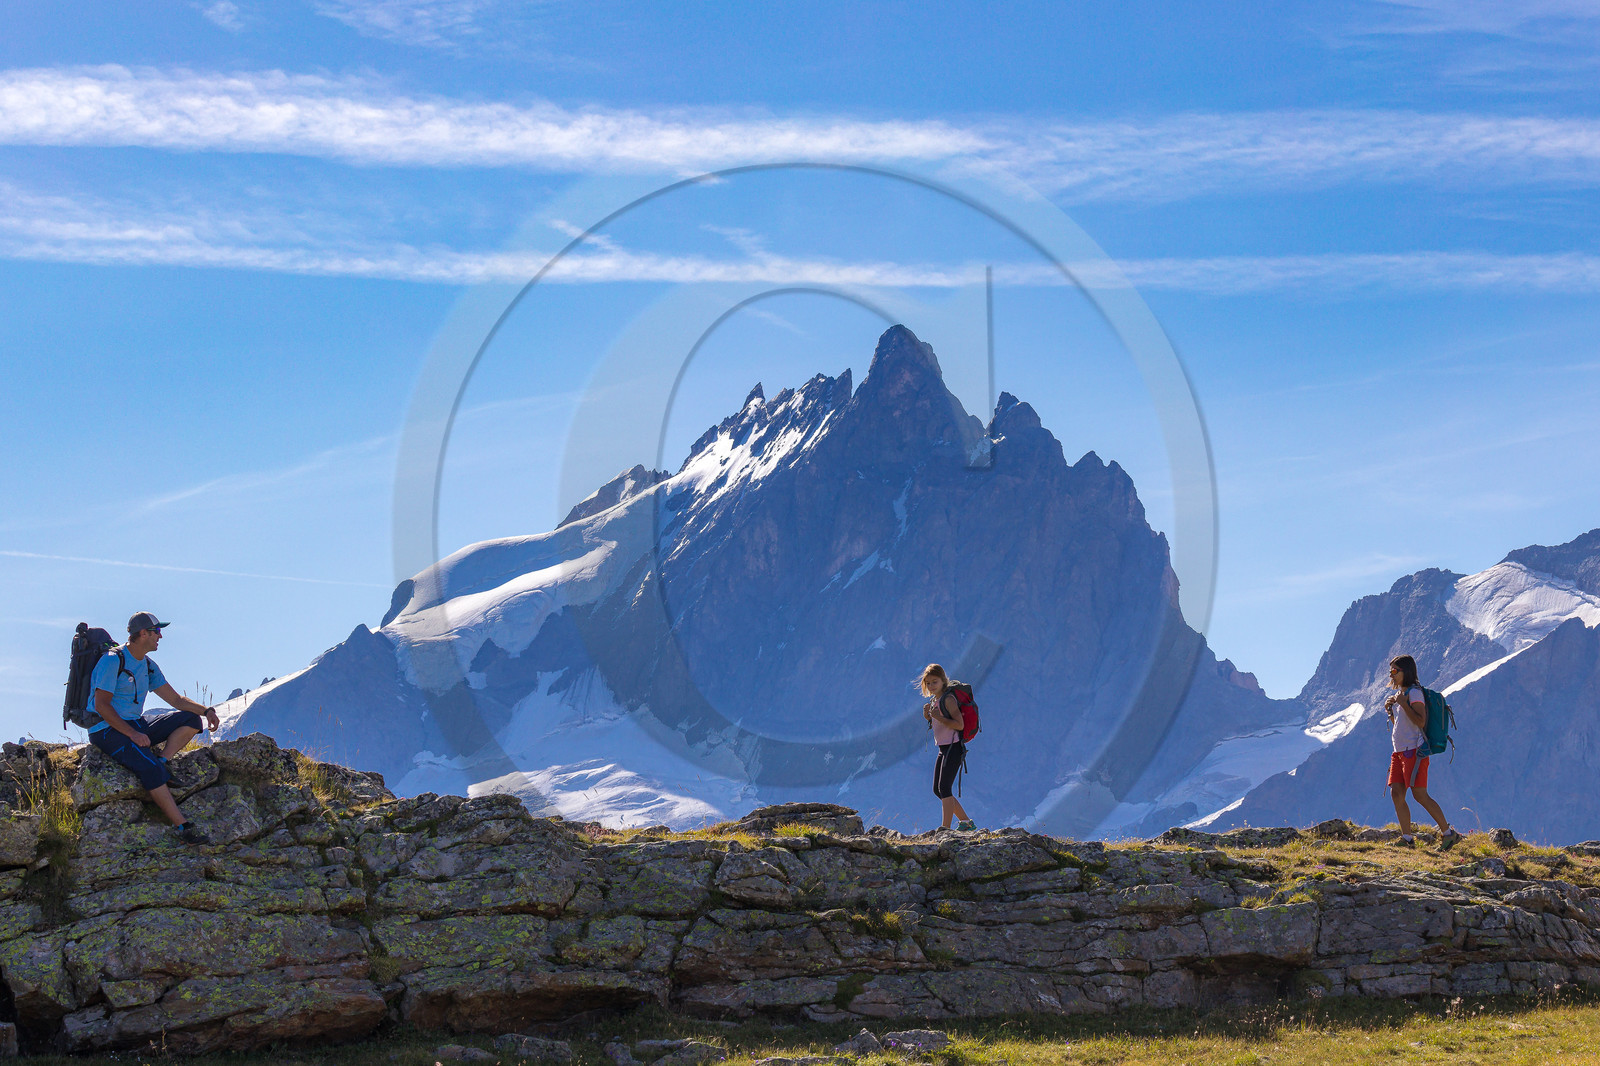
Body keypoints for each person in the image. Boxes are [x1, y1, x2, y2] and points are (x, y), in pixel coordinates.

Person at [87, 612, 220, 845]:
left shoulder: (147, 665)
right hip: (105, 728)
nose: (160, 636)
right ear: (142, 634)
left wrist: (206, 710)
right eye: (156, 632)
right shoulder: (112, 660)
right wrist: (132, 734)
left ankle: (162, 761)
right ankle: (183, 827)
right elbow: (102, 706)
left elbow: (176, 700)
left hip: (135, 724)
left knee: (191, 720)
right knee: (149, 769)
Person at [1384, 654, 1461, 849]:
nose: (1391, 675)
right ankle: (1407, 839)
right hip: (1399, 752)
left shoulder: (1415, 693)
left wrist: (1403, 703)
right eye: (1390, 671)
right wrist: (1391, 711)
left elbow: (1420, 721)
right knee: (1396, 793)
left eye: (1395, 671)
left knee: (1420, 795)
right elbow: (1404, 725)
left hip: (1414, 752)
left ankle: (1448, 834)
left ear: (1406, 671)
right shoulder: (1403, 694)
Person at [919, 663, 976, 832]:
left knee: (944, 788)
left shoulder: (948, 699)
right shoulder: (935, 701)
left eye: (934, 682)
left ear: (943, 681)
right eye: (928, 683)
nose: (931, 686)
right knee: (938, 790)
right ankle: (966, 822)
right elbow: (940, 724)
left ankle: (946, 828)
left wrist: (938, 717)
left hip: (954, 748)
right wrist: (928, 717)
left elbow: (959, 725)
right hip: (943, 749)